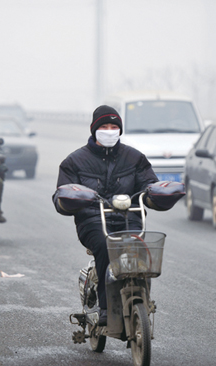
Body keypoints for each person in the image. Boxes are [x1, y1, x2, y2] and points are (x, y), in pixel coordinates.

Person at [52, 105, 159, 326]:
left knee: (139, 248)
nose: (109, 130)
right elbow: (61, 194)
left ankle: (142, 300)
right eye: (104, 126)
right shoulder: (74, 161)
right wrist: (70, 201)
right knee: (105, 244)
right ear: (94, 130)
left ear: (119, 130)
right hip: (93, 220)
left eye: (114, 126)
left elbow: (149, 185)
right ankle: (105, 307)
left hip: (130, 218)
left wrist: (154, 195)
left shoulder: (135, 158)